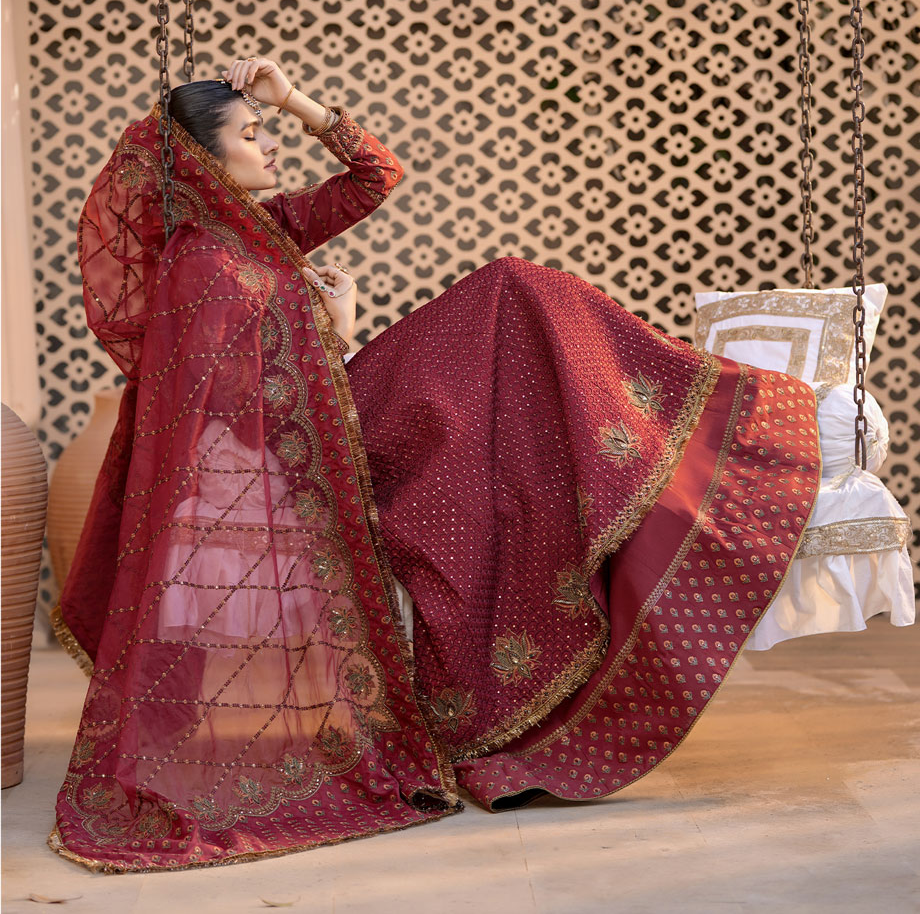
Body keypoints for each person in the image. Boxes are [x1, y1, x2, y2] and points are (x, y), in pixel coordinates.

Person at [50, 56, 822, 872]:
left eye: (267, 130)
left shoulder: (258, 229)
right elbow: (243, 416)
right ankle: (701, 415)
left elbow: (376, 176)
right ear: (204, 163)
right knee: (507, 296)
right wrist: (338, 327)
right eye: (251, 135)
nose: (270, 146)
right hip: (322, 447)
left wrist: (298, 101)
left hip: (344, 405)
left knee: (515, 306)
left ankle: (658, 423)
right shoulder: (202, 266)